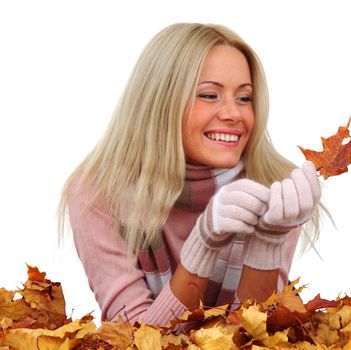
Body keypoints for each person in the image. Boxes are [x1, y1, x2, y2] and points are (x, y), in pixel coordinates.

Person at [57, 23, 323, 326]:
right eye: (210, 95)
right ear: (160, 102)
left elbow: (254, 337)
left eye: (244, 98)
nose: (234, 114)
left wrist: (269, 241)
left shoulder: (274, 186)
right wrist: (204, 244)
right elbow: (136, 342)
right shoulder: (97, 193)